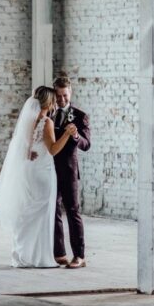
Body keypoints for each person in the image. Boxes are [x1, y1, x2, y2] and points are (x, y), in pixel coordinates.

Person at [0, 86, 76, 268]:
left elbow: (24, 148)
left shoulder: (28, 121)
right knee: (42, 213)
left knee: (28, 212)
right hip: (43, 172)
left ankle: (22, 254)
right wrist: (67, 133)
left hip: (29, 170)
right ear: (49, 102)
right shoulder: (46, 121)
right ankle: (40, 257)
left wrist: (29, 152)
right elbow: (54, 149)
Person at [50, 76, 91, 269]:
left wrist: (75, 135)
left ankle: (80, 256)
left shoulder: (80, 115)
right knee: (53, 210)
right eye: (58, 96)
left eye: (64, 95)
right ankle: (59, 253)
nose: (61, 100)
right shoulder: (49, 113)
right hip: (49, 171)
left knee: (73, 211)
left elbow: (86, 145)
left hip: (69, 171)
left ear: (70, 93)